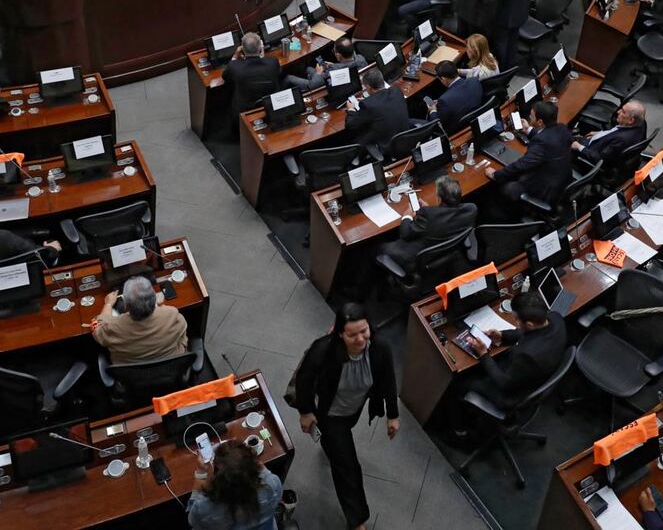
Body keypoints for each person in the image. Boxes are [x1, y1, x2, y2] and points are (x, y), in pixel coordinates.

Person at [294, 303, 399, 530]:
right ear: (340, 333)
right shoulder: (324, 351)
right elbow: (304, 379)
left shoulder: (379, 348)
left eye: (364, 331)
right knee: (348, 467)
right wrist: (305, 411)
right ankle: (357, 519)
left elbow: (388, 380)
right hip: (330, 414)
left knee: (338, 443)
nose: (361, 339)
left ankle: (329, 444)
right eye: (352, 335)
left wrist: (393, 415)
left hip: (354, 408)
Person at [463, 291, 566, 412]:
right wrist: (502, 335)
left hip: (511, 394)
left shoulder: (527, 356)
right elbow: (531, 333)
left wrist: (483, 354)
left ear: (529, 324)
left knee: (462, 382)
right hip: (532, 371)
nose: (515, 322)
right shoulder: (555, 318)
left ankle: (460, 428)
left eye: (516, 319)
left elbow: (504, 383)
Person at [484, 100, 572, 206]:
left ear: (540, 122)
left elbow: (521, 165)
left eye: (531, 116)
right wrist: (528, 129)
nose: (529, 118)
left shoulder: (541, 142)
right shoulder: (562, 129)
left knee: (505, 187)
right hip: (561, 178)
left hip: (545, 189)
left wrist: (495, 174)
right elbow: (549, 138)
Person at [380, 175, 477, 270]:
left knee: (378, 249)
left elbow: (405, 234)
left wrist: (407, 215)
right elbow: (443, 216)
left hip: (417, 257)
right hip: (445, 249)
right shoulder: (471, 209)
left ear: (439, 199)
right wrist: (430, 210)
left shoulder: (429, 215)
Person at [187, 438, 284, 530]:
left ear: (217, 479)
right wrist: (238, 455)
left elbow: (192, 521)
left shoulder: (204, 508)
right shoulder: (273, 485)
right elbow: (258, 466)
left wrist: (201, 473)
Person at [91, 276, 188, 365]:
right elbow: (183, 332)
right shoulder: (171, 314)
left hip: (133, 379)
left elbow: (96, 329)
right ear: (155, 298)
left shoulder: (114, 327)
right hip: (171, 369)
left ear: (126, 306)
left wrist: (108, 304)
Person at [345, 69, 409, 152]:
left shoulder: (368, 105)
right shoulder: (396, 91)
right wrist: (369, 99)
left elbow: (350, 125)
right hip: (405, 138)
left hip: (386, 145)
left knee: (354, 139)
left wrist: (351, 109)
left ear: (368, 87)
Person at [221, 32, 280, 116]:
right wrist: (262, 55)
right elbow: (278, 73)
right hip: (269, 105)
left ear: (242, 49)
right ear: (260, 47)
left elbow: (225, 76)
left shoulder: (234, 66)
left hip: (244, 109)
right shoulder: (273, 62)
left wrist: (235, 55)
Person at [572, 100, 646, 165]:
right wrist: (600, 133)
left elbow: (600, 159)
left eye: (623, 112)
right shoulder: (641, 124)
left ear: (631, 120)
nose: (618, 112)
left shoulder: (621, 139)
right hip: (601, 143)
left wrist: (579, 147)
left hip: (590, 152)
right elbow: (616, 131)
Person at [286, 38, 365, 92]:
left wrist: (318, 73)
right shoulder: (361, 59)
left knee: (289, 77)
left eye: (334, 51)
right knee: (308, 68)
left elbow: (313, 86)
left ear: (338, 55)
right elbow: (347, 66)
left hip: (323, 86)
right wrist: (336, 65)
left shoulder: (333, 70)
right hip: (349, 83)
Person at [425, 60, 483, 132]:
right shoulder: (474, 81)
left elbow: (436, 126)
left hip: (457, 131)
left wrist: (433, 110)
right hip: (477, 122)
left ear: (443, 79)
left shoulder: (444, 100)